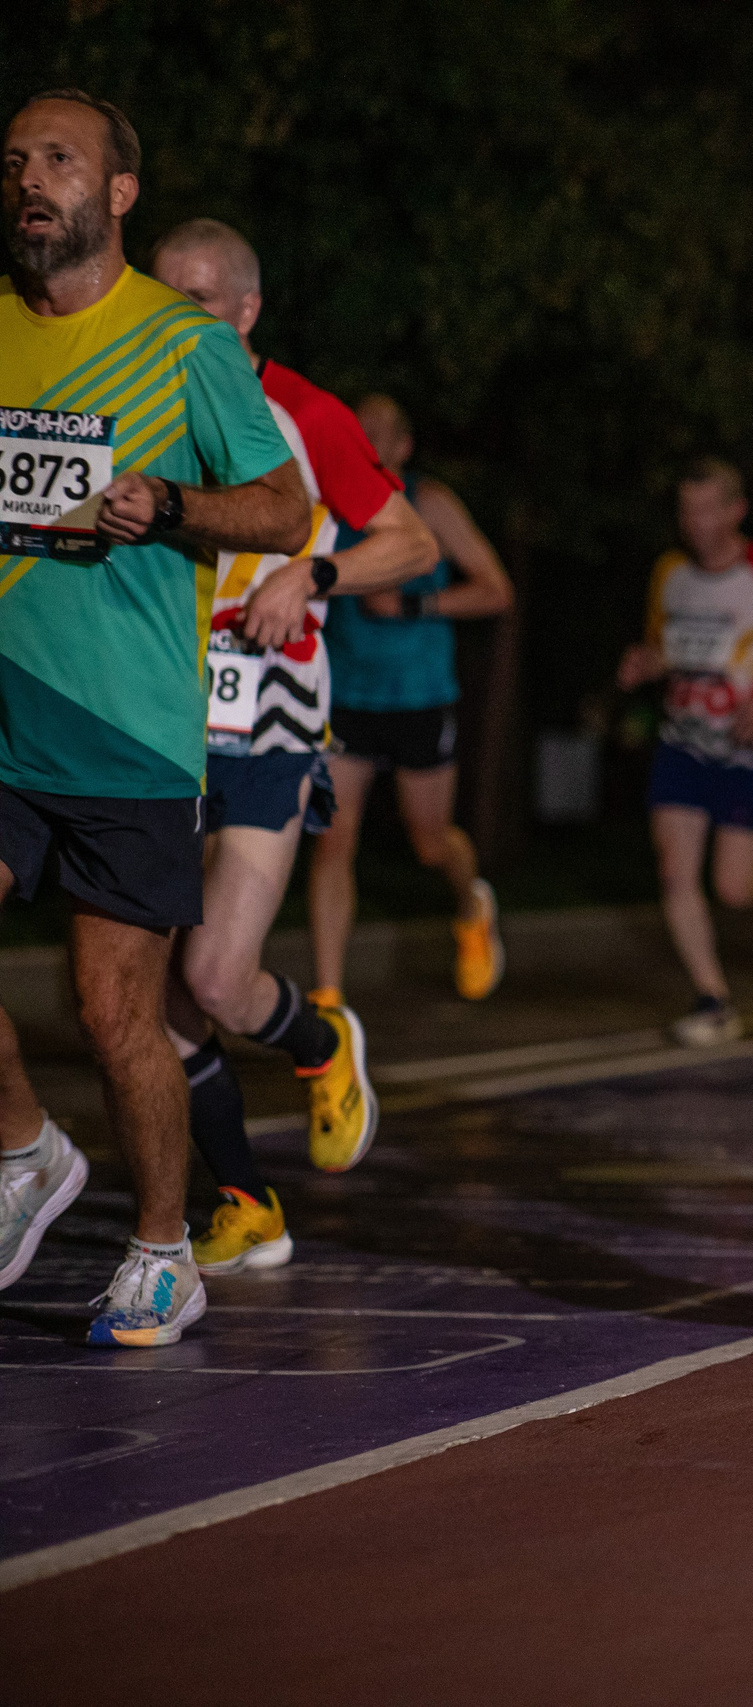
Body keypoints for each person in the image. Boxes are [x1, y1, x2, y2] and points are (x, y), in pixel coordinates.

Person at [0, 91, 307, 1345]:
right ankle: (25, 1150)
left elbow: (283, 511)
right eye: (16, 161)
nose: (31, 178)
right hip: (5, 712)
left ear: (117, 192)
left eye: (59, 160)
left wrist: (171, 507)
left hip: (126, 729)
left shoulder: (185, 345)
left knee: (113, 1008)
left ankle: (163, 1249)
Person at [147, 220, 440, 1272]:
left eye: (199, 308)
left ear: (247, 312)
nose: (177, 325)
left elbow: (414, 543)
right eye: (161, 300)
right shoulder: (140, 397)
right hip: (158, 725)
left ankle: (322, 1046)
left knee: (218, 979)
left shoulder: (306, 412)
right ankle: (246, 1201)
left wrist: (308, 576)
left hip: (266, 724)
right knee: (155, 1003)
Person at [617, 458, 753, 1043]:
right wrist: (646, 663)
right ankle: (713, 999)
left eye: (709, 508)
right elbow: (669, 647)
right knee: (674, 871)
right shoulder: (670, 572)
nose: (696, 522)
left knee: (733, 889)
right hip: (684, 741)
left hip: (748, 748)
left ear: (736, 511)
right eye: (687, 509)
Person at [306, 393, 515, 1007]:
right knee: (333, 840)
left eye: (379, 436)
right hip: (345, 696)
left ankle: (471, 900)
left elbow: (496, 591)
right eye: (356, 433)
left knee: (430, 842)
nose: (366, 445)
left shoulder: (431, 503)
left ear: (403, 448)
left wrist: (414, 605)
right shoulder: (329, 501)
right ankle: (328, 998)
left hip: (420, 698)